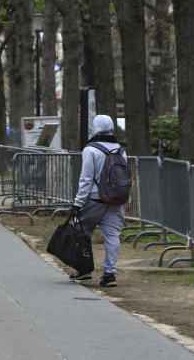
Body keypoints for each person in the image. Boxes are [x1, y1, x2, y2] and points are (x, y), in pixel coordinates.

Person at [68, 114, 126, 287]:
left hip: (94, 198)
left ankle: (84, 269)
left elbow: (86, 179)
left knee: (82, 231)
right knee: (112, 235)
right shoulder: (121, 150)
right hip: (115, 199)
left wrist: (78, 203)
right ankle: (110, 274)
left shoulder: (90, 149)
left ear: (94, 128)